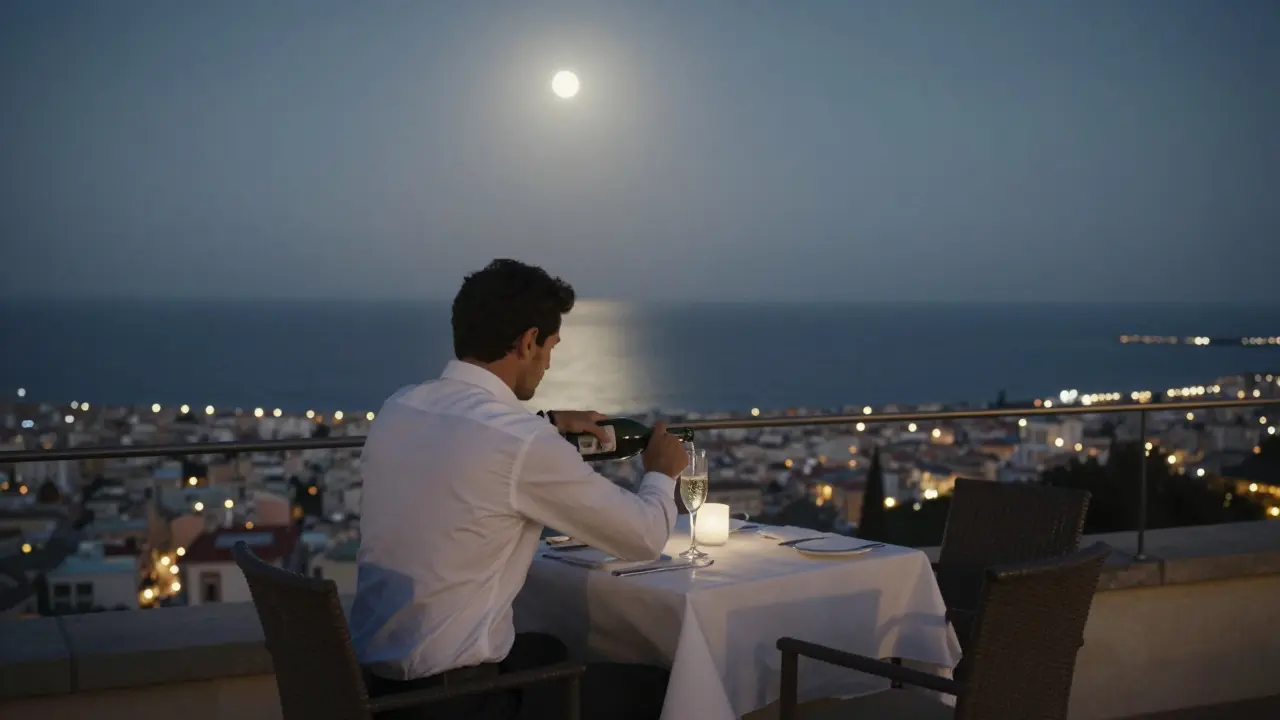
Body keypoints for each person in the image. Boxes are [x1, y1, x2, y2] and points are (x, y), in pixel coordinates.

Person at [350, 258, 688, 720]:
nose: (548, 363)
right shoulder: (521, 442)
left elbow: (468, 445)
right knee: (667, 689)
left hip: (379, 691)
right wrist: (661, 472)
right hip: (462, 705)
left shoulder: (400, 408)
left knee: (549, 646)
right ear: (529, 342)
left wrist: (546, 424)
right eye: (550, 347)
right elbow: (645, 536)